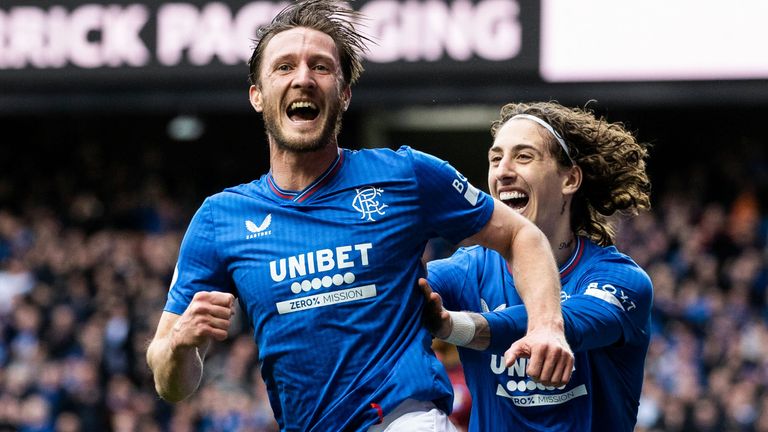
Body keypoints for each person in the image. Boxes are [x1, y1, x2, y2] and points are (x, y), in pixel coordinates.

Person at [145, 2, 573, 431]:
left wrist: (547, 328)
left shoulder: (406, 175)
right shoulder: (220, 219)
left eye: (321, 67)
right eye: (284, 67)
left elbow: (522, 236)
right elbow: (171, 384)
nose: (303, 79)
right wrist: (181, 345)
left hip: (405, 418)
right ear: (257, 95)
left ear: (344, 93)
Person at [421, 101, 653, 431]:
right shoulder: (468, 270)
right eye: (496, 158)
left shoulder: (621, 280)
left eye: (524, 156)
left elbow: (558, 321)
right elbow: (405, 290)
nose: (502, 171)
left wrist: (450, 326)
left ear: (570, 179)